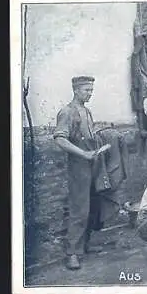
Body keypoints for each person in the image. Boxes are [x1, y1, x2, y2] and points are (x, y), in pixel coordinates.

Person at [54, 76, 105, 270]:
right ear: (76, 90)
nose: (90, 94)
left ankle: (85, 245)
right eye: (86, 90)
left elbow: (87, 135)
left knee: (92, 206)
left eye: (91, 90)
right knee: (79, 209)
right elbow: (60, 139)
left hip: (93, 164)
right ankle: (72, 253)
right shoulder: (67, 112)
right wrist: (83, 153)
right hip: (78, 167)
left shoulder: (87, 111)